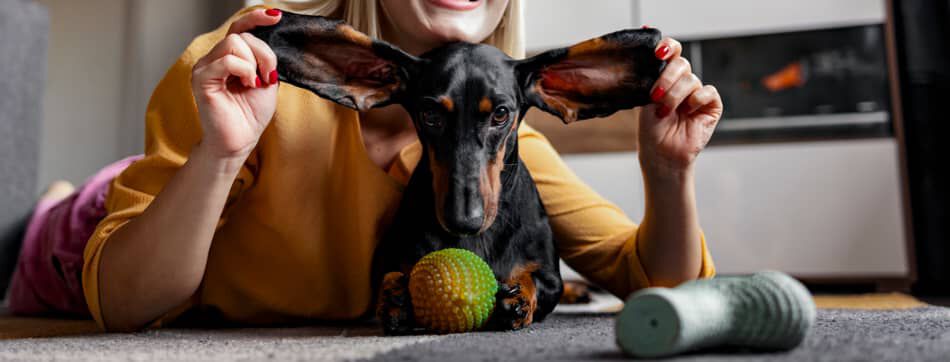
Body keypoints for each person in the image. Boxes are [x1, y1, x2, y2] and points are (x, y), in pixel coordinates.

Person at [5, 0, 722, 331]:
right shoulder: (239, 74)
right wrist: (224, 153)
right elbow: (124, 305)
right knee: (38, 230)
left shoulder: (505, 146)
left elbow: (663, 287)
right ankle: (51, 202)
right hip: (79, 245)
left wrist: (669, 171)